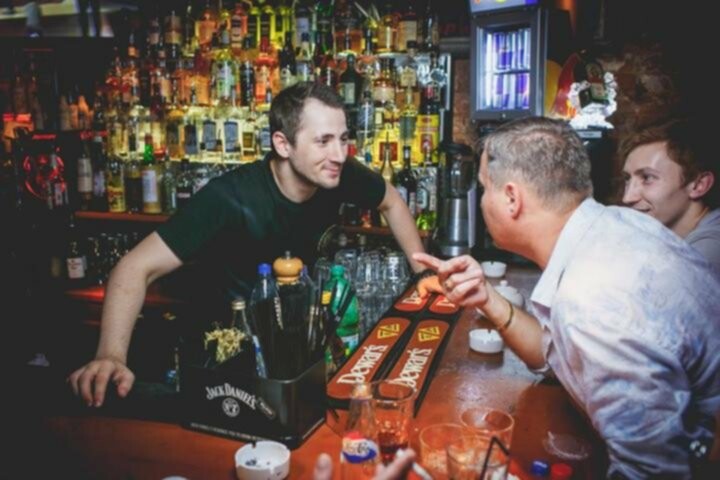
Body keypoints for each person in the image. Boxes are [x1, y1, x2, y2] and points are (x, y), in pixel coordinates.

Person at [69, 82, 430, 407]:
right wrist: (110, 356)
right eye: (323, 141)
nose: (338, 154)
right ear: (282, 144)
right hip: (228, 361)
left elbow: (392, 202)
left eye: (343, 138)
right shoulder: (229, 198)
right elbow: (134, 266)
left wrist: (422, 274)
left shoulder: (337, 172)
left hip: (296, 350)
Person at [414, 117, 720, 478]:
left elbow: (652, 472)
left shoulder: (594, 296)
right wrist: (487, 298)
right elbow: (556, 359)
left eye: (484, 188)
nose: (482, 201)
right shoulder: (614, 227)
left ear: (512, 198)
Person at [621, 118, 720, 270]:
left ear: (698, 185)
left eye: (647, 178)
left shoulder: (708, 251)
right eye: (628, 179)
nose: (627, 198)